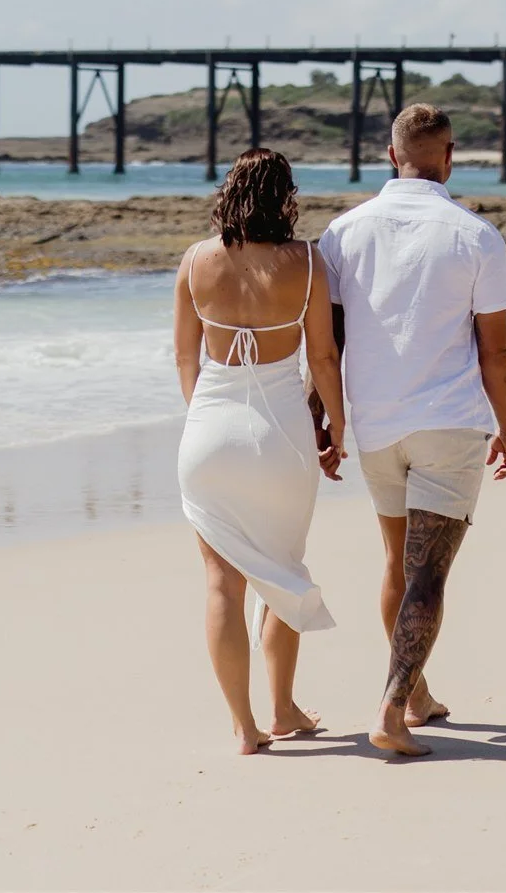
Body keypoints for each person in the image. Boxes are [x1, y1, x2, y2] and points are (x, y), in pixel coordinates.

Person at [313, 103, 506, 756]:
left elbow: (329, 341)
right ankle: (392, 707)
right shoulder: (474, 235)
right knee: (427, 574)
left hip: (376, 424)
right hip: (449, 423)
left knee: (397, 565)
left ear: (389, 154)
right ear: (449, 156)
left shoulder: (342, 234)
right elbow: (497, 349)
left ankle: (419, 693)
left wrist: (325, 420)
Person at [173, 148, 348, 754]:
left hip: (208, 434)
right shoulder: (307, 262)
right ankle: (283, 710)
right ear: (285, 196)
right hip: (281, 437)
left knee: (223, 584)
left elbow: (185, 358)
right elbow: (323, 359)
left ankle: (244, 728)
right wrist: (339, 429)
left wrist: (204, 417)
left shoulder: (195, 261)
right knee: (283, 570)